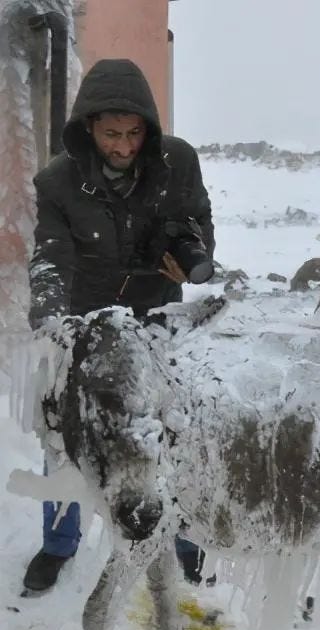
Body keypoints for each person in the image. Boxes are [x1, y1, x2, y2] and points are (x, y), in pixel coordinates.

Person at [23, 58, 214, 592]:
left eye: (134, 134)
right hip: (87, 322)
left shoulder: (177, 161)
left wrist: (199, 257)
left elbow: (199, 216)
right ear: (89, 127)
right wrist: (50, 312)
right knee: (66, 432)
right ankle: (59, 543)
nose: (124, 146)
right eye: (112, 134)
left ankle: (186, 538)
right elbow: (51, 255)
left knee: (172, 430)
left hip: (157, 317)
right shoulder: (58, 180)